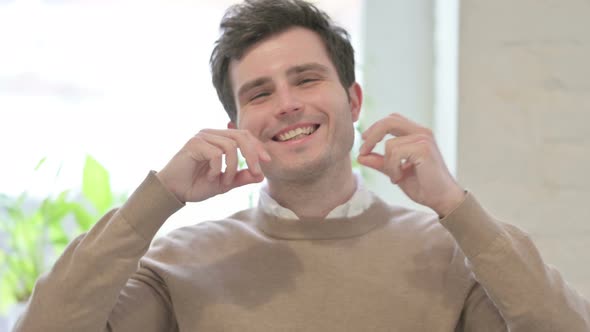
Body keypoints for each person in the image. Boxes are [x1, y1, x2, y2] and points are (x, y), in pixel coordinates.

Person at [14, 0, 590, 331]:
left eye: (307, 79)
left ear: (354, 100)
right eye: (259, 93)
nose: (287, 103)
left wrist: (454, 208)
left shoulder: (452, 257)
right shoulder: (177, 264)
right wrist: (158, 198)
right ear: (237, 124)